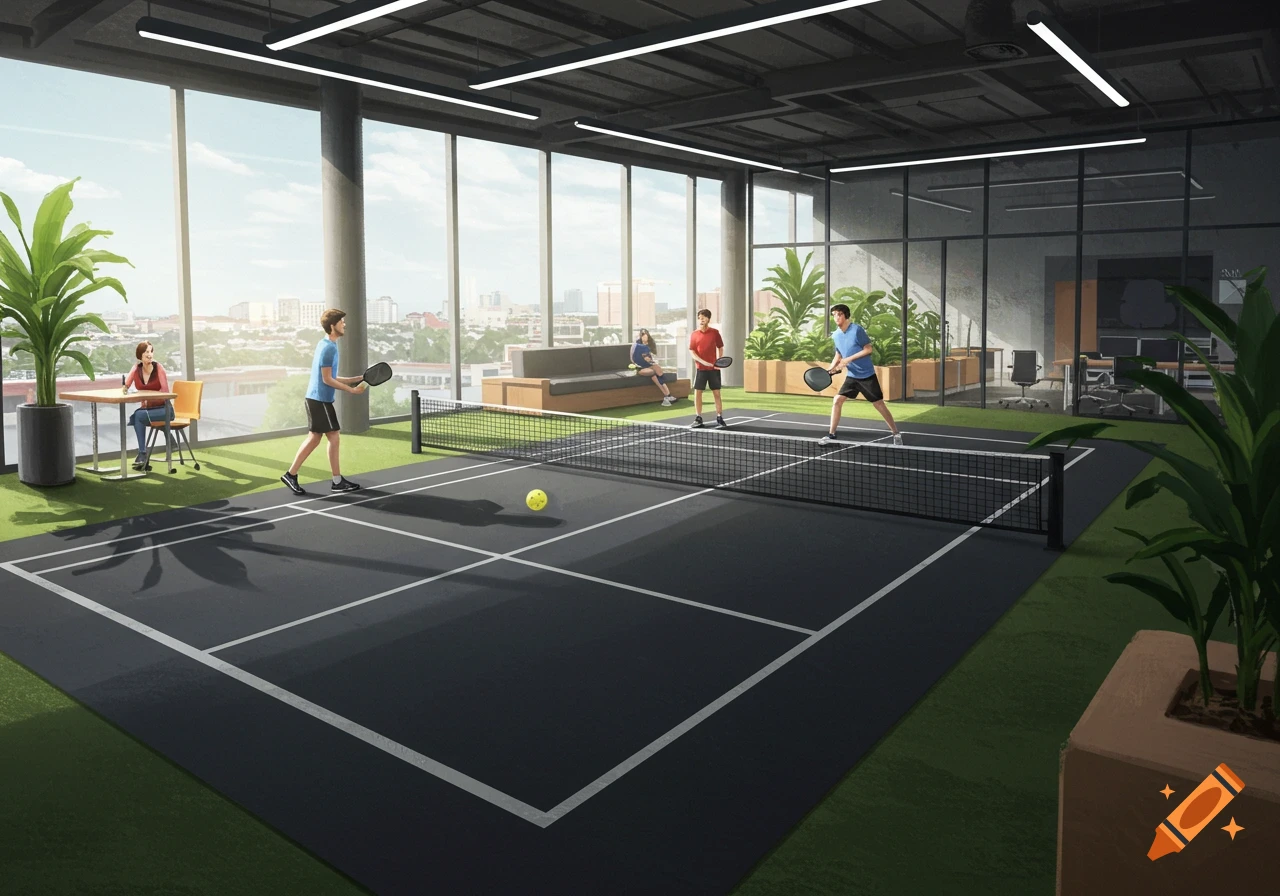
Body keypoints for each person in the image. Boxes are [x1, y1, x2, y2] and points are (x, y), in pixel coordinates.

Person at [280, 309, 367, 495]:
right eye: (341, 322)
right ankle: (335, 481)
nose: (344, 324)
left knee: (316, 438)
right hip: (320, 400)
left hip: (316, 398)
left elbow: (330, 377)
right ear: (332, 325)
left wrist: (355, 378)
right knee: (332, 436)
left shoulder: (324, 344)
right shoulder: (329, 348)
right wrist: (351, 390)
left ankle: (292, 474)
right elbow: (327, 380)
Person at [821, 303, 903, 447]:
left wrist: (848, 359)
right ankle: (831, 435)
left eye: (839, 314)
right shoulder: (836, 335)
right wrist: (830, 369)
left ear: (846, 316)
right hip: (852, 376)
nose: (836, 318)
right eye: (834, 315)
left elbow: (868, 349)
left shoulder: (857, 330)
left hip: (867, 376)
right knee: (837, 400)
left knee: (879, 404)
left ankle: (896, 434)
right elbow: (838, 354)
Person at [124, 341, 175, 469]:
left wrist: (149, 398)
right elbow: (127, 385)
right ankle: (145, 454)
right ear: (140, 354)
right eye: (146, 352)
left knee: (138, 416)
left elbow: (165, 393)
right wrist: (125, 386)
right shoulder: (137, 369)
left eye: (151, 351)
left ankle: (142, 454)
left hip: (165, 409)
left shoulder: (159, 368)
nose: (149, 354)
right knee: (138, 416)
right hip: (148, 410)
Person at [687, 309, 727, 429]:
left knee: (716, 393)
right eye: (699, 317)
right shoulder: (694, 334)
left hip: (714, 369)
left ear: (708, 319)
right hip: (701, 369)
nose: (701, 319)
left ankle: (719, 417)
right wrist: (702, 361)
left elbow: (720, 347)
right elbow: (692, 351)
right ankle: (698, 418)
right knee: (698, 393)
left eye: (704, 317)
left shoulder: (715, 333)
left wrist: (719, 361)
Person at [631, 328, 677, 406]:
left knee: (658, 370)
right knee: (653, 373)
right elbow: (632, 359)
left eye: (646, 335)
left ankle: (667, 396)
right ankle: (667, 395)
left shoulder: (650, 345)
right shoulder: (636, 345)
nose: (644, 337)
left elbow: (652, 358)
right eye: (642, 335)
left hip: (649, 365)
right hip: (640, 368)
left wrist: (652, 363)